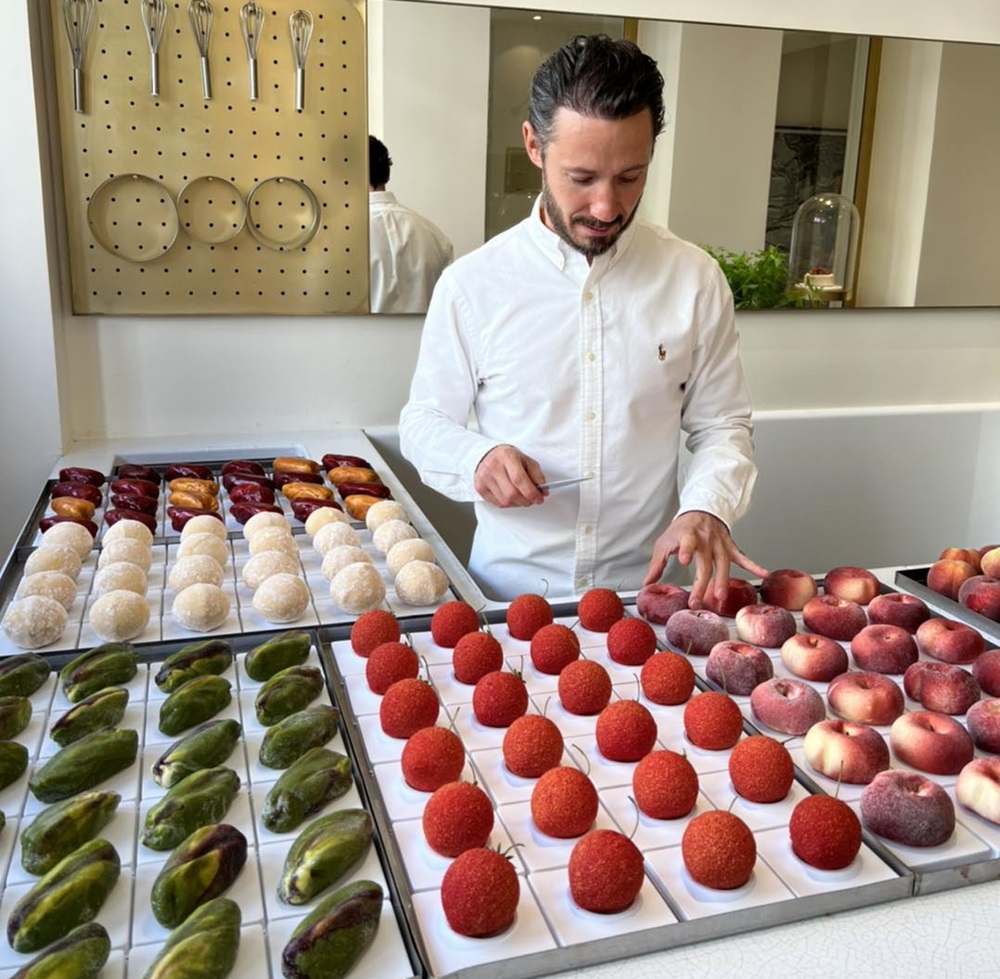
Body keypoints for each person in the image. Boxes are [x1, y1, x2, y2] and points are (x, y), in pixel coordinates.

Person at [398, 35, 766, 604]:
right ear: (534, 146)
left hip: (645, 600)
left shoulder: (694, 280)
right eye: (582, 177)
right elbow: (423, 423)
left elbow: (722, 428)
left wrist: (705, 506)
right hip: (508, 599)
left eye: (629, 176)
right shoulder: (473, 285)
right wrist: (477, 458)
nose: (605, 207)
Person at [368, 135, 454, 314]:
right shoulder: (434, 235)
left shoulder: (337, 239)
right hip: (421, 340)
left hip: (355, 340)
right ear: (387, 173)